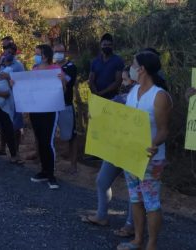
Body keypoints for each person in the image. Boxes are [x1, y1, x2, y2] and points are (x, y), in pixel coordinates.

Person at [117, 51, 172, 250]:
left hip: (151, 159)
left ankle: (151, 244)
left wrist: (153, 145)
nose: (130, 67)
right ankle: (138, 240)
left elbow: (164, 130)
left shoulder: (159, 96)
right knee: (135, 199)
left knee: (151, 203)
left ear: (142, 69)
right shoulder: (134, 92)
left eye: (133, 64)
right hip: (130, 156)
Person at [81, 66, 136, 238]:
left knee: (133, 190)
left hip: (132, 149)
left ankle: (131, 225)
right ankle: (102, 215)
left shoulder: (142, 98)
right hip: (115, 147)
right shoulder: (121, 97)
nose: (123, 83)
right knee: (102, 181)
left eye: (126, 80)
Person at [4, 44, 65, 189]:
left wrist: (62, 80)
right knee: (40, 140)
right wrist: (14, 84)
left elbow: (63, 89)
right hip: (36, 111)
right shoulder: (35, 70)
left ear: (44, 56)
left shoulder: (56, 70)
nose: (35, 56)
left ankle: (51, 174)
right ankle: (44, 171)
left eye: (37, 53)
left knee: (47, 142)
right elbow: (28, 89)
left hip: (50, 111)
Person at [53, 43, 78, 174]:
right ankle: (50, 162)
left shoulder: (71, 67)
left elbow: (68, 83)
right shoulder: (50, 67)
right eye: (55, 51)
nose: (57, 54)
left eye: (60, 51)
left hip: (66, 105)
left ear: (65, 53)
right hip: (51, 105)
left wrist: (61, 77)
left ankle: (73, 165)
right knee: (51, 135)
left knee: (71, 136)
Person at [89, 33, 124, 100]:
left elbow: (118, 82)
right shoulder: (95, 61)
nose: (107, 47)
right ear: (100, 45)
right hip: (96, 98)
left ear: (112, 46)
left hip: (112, 98)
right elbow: (91, 81)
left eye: (109, 45)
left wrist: (101, 93)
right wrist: (96, 93)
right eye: (104, 45)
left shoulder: (118, 61)